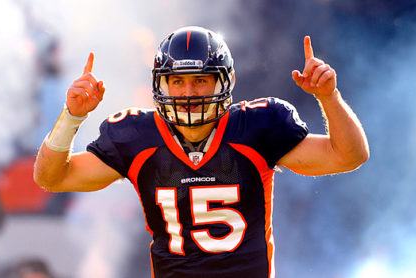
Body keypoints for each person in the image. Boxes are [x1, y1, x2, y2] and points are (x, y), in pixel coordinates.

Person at [34, 26, 369, 277]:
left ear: (224, 81)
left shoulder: (256, 127)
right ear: (161, 85)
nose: (188, 92)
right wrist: (72, 116)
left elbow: (348, 155)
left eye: (200, 80)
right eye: (177, 82)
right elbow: (51, 177)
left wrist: (329, 97)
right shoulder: (137, 136)